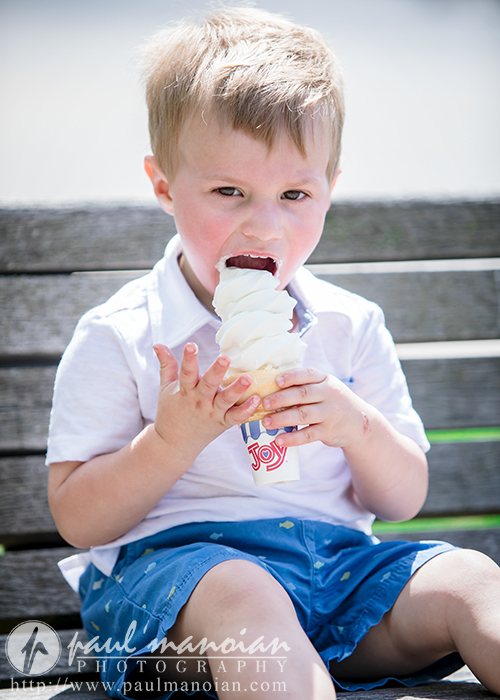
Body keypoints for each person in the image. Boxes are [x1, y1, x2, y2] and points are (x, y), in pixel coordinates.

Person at [47, 6, 500, 699]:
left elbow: (403, 498)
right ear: (165, 186)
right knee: (248, 594)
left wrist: (355, 426)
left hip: (341, 579)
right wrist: (169, 440)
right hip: (184, 593)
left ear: (330, 191)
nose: (265, 223)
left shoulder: (350, 325)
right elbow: (78, 518)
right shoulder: (124, 334)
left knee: (473, 579)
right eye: (229, 192)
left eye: (294, 193)